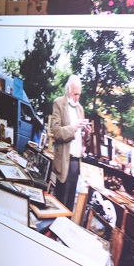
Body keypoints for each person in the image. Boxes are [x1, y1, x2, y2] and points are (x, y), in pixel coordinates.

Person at [49, 74, 91, 213]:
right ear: (68, 90)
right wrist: (74, 127)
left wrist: (87, 133)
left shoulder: (80, 109)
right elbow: (56, 132)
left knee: (69, 206)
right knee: (61, 204)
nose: (77, 97)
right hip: (64, 161)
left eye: (79, 94)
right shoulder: (58, 103)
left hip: (76, 163)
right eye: (75, 94)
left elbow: (83, 140)